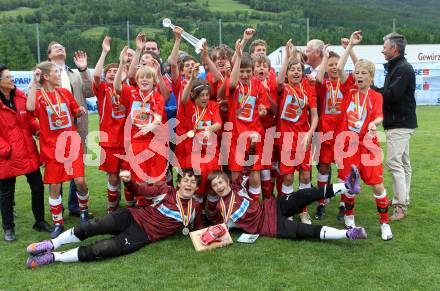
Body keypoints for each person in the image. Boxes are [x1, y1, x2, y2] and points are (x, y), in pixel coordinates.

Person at [25, 169, 203, 268]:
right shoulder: (166, 190)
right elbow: (140, 191)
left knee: (102, 249)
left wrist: (219, 234)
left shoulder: (195, 207)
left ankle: (53, 257)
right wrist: (128, 182)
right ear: (179, 182)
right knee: (93, 225)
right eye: (186, 180)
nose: (189, 184)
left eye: (193, 182)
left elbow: (200, 230)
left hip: (143, 235)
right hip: (132, 216)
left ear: (196, 188)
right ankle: (52, 243)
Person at [208, 165, 367, 242]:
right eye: (215, 185)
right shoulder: (220, 208)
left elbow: (248, 166)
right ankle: (348, 234)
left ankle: (347, 186)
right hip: (268, 226)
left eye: (220, 182)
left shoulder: (236, 186)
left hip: (271, 206)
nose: (219, 187)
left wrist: (252, 144)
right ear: (213, 190)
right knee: (304, 230)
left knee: (304, 194)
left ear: (227, 181)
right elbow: (218, 228)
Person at [336, 31, 392, 241]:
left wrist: (371, 124)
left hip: (368, 145)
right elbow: (340, 68)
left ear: (371, 77)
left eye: (363, 73)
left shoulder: (376, 96)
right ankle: (349, 218)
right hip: (348, 145)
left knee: (377, 185)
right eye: (357, 72)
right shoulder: (348, 91)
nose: (358, 76)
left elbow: (379, 116)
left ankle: (384, 224)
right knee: (349, 183)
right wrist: (349, 46)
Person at [26, 61, 91, 239]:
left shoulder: (64, 92)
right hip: (52, 149)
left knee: (79, 182)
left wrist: (80, 110)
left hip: (71, 144)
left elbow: (74, 109)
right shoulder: (38, 96)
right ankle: (58, 222)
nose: (58, 73)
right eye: (55, 71)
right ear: (46, 76)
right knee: (55, 186)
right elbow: (30, 108)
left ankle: (84, 212)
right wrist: (34, 81)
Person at [0, 64, 52, 241]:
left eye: (11, 76)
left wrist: (37, 130)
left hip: (28, 151)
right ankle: (8, 228)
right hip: (7, 157)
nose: (12, 79)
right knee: (7, 194)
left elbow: (29, 118)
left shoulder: (20, 96)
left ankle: (39, 221)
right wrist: (6, 150)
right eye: (8, 77)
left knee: (37, 187)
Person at [47, 41, 94, 217]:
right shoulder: (44, 73)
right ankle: (57, 210)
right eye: (56, 47)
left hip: (77, 125)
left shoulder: (73, 74)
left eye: (62, 47)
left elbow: (90, 91)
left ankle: (76, 206)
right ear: (49, 54)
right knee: (56, 170)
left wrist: (83, 70)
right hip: (55, 129)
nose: (61, 48)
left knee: (77, 167)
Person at [373, 32, 417, 221]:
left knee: (394, 163)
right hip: (401, 122)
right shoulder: (397, 67)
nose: (382, 49)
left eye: (385, 46)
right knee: (404, 163)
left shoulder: (403, 69)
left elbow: (391, 96)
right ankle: (402, 198)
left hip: (400, 123)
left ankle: (400, 205)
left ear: (394, 49)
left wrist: (373, 90)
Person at [314, 40, 358, 221]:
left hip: (343, 134)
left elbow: (359, 68)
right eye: (330, 65)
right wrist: (324, 58)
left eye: (336, 65)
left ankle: (342, 203)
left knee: (343, 170)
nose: (333, 68)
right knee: (323, 167)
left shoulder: (346, 84)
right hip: (325, 133)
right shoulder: (323, 84)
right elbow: (317, 79)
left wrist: (351, 49)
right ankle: (322, 202)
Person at [275, 39, 318, 225]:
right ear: (287, 73)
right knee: (287, 177)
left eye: (299, 70)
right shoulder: (283, 88)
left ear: (303, 72)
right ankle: (288, 209)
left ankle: (303, 211)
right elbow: (278, 80)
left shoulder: (309, 88)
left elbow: (315, 116)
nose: (295, 72)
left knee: (306, 175)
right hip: (286, 139)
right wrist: (287, 57)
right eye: (292, 70)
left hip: (303, 139)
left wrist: (309, 133)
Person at [224, 39, 269, 203]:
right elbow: (233, 82)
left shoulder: (258, 85)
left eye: (248, 71)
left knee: (255, 174)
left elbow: (263, 108)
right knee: (236, 175)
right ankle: (237, 208)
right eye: (242, 71)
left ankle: (255, 207)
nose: (244, 75)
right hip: (236, 135)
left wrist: (263, 111)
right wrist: (237, 53)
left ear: (253, 71)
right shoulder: (234, 84)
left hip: (254, 134)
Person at [93, 36, 133, 212]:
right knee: (113, 176)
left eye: (116, 71)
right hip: (109, 141)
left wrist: (124, 64)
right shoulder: (102, 89)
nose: (112, 73)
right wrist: (104, 52)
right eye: (109, 71)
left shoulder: (127, 90)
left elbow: (130, 74)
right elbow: (95, 75)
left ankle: (132, 207)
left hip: (126, 141)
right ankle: (112, 207)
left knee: (128, 176)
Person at [179, 66, 222, 217]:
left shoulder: (213, 106)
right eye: (201, 95)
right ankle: (197, 216)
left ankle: (211, 214)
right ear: (194, 96)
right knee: (196, 187)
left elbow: (218, 123)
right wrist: (191, 79)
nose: (204, 98)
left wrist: (208, 129)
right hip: (194, 154)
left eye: (207, 94)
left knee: (211, 186)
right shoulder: (189, 106)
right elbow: (183, 99)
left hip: (210, 154)